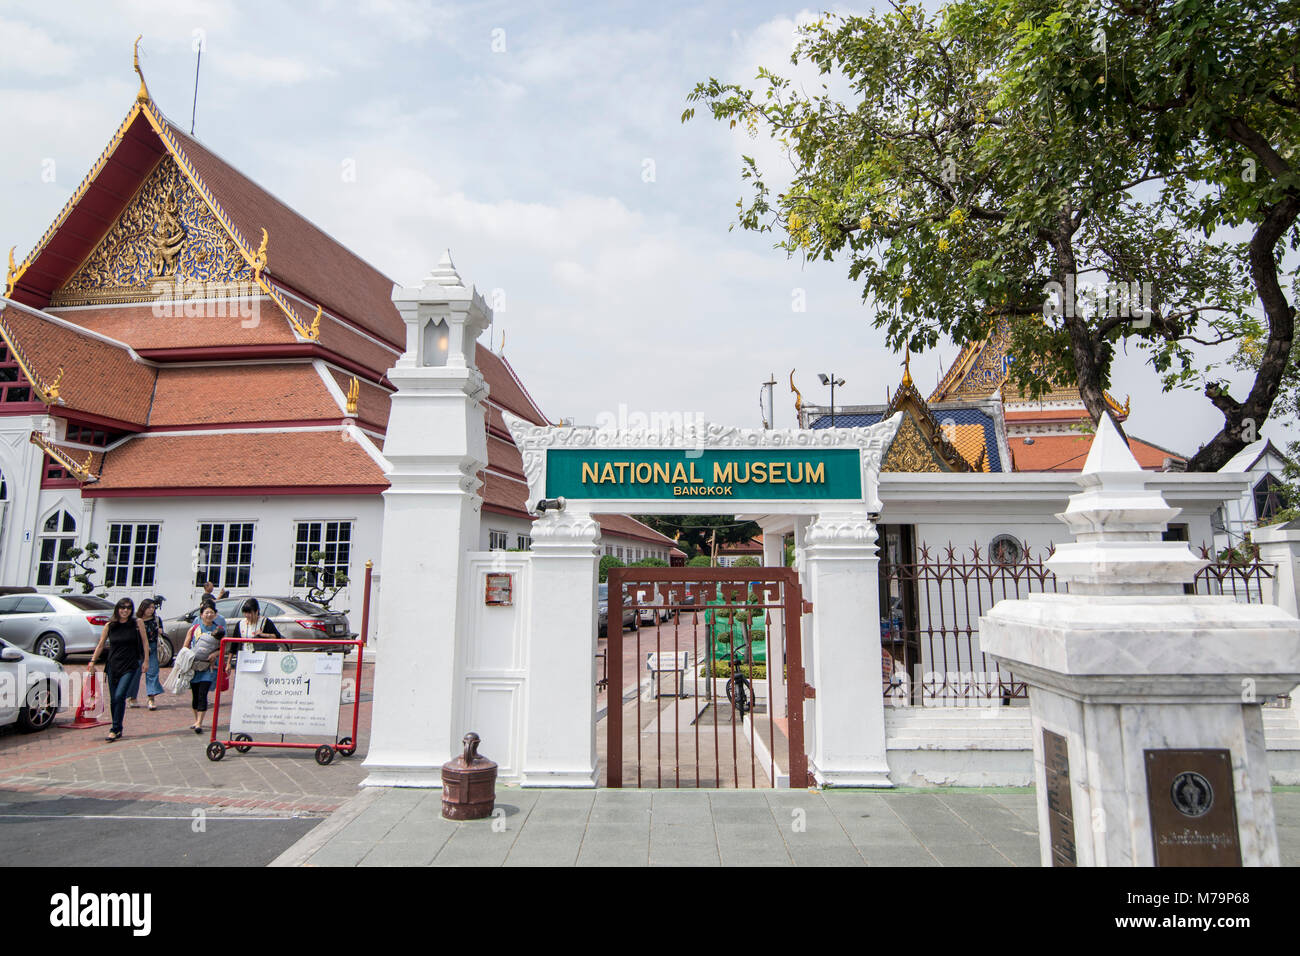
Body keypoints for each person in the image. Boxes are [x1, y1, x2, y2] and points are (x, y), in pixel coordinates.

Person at [87, 598, 149, 742]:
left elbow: (145, 643)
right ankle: (118, 727)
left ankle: (114, 728)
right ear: (117, 609)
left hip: (130, 665)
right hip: (113, 665)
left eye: (128, 608)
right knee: (114, 699)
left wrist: (146, 661)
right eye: (122, 608)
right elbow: (101, 644)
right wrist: (92, 661)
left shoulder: (137, 623)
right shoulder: (110, 625)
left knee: (120, 696)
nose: (125, 610)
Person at [183, 604, 224, 734]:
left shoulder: (219, 630)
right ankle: (196, 720)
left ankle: (200, 722)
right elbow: (186, 645)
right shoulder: (194, 628)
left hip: (208, 667)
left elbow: (224, 647)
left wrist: (215, 654)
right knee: (195, 694)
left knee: (203, 693)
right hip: (194, 667)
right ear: (201, 615)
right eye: (206, 613)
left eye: (211, 612)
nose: (209, 615)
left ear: (215, 614)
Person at [126, 598, 165, 710]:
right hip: (138, 649)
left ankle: (151, 698)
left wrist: (160, 631)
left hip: (152, 648)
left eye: (153, 608)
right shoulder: (136, 620)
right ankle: (132, 698)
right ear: (143, 608)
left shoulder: (156, 619)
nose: (151, 610)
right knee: (135, 673)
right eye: (149, 607)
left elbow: (161, 631)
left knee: (152, 672)